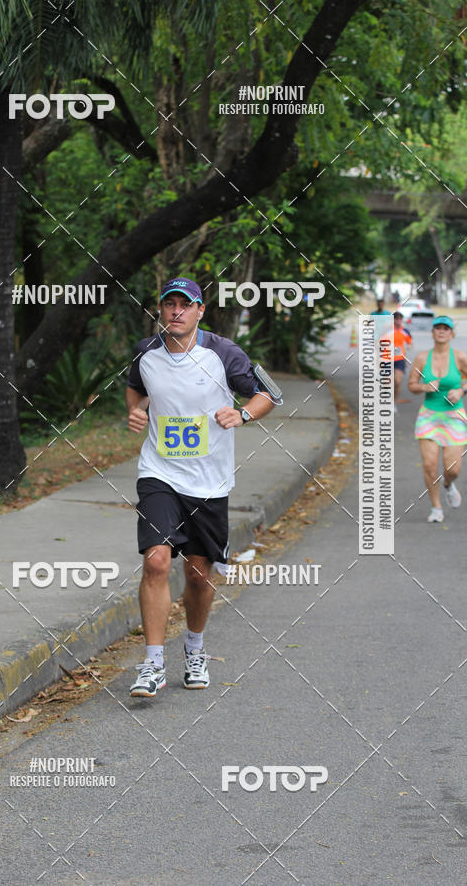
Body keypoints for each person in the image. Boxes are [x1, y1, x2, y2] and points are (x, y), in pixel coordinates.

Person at [126, 276, 277, 697]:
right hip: (159, 472)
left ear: (200, 310)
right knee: (156, 561)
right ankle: (153, 663)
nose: (176, 311)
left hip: (209, 480)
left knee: (197, 573)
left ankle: (194, 649)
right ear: (161, 309)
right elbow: (135, 389)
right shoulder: (146, 352)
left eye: (185, 304)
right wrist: (136, 412)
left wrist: (243, 415)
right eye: (169, 304)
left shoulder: (224, 352)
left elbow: (266, 394)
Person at [408, 315, 467, 523]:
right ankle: (436, 507)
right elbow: (412, 385)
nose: (441, 331)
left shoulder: (460, 357)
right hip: (429, 416)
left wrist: (461, 390)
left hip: (454, 416)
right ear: (432, 332)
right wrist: (424, 387)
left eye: (446, 328)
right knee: (429, 466)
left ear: (451, 334)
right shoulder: (422, 358)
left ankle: (448, 485)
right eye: (438, 328)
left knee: (453, 469)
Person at [392, 311, 412, 407]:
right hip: (387, 359)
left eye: (400, 319)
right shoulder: (388, 330)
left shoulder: (405, 331)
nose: (398, 321)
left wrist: (409, 347)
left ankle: (393, 403)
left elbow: (410, 342)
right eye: (396, 319)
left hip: (400, 359)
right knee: (387, 383)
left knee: (397, 382)